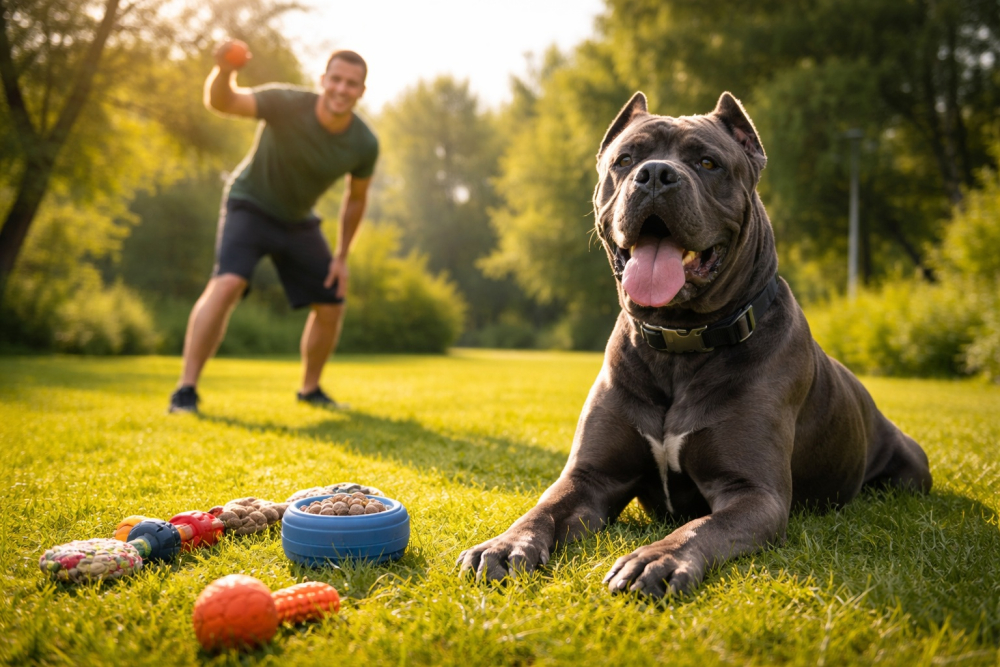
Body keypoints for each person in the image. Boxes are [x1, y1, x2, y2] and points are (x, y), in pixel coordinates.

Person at [168, 42, 378, 414]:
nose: (342, 90)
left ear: (362, 91)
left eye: (352, 84)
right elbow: (224, 102)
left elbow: (356, 198)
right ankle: (186, 390)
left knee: (331, 301)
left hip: (297, 218)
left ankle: (310, 390)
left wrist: (342, 256)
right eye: (336, 80)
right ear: (323, 80)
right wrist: (225, 70)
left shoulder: (363, 142)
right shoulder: (286, 102)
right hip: (250, 204)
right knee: (229, 282)